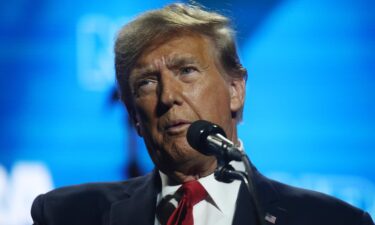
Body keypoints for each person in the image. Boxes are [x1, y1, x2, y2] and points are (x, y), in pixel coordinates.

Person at [31, 3, 374, 225]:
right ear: (135, 117)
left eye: (187, 71)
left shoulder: (330, 221)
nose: (168, 97)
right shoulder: (66, 215)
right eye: (147, 83)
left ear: (235, 90)